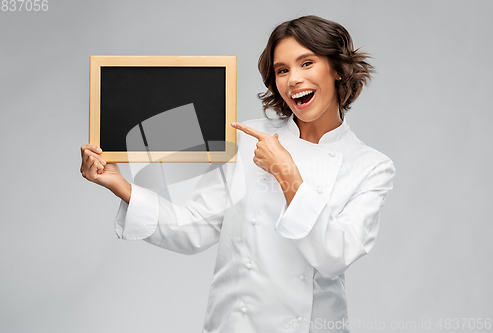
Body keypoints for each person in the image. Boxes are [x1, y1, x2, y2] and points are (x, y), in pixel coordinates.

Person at [80, 15, 395, 333]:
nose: (293, 79)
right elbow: (194, 227)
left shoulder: (370, 166)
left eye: (307, 63)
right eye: (282, 70)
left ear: (338, 69)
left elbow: (334, 255)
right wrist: (122, 186)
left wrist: (285, 171)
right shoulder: (246, 139)